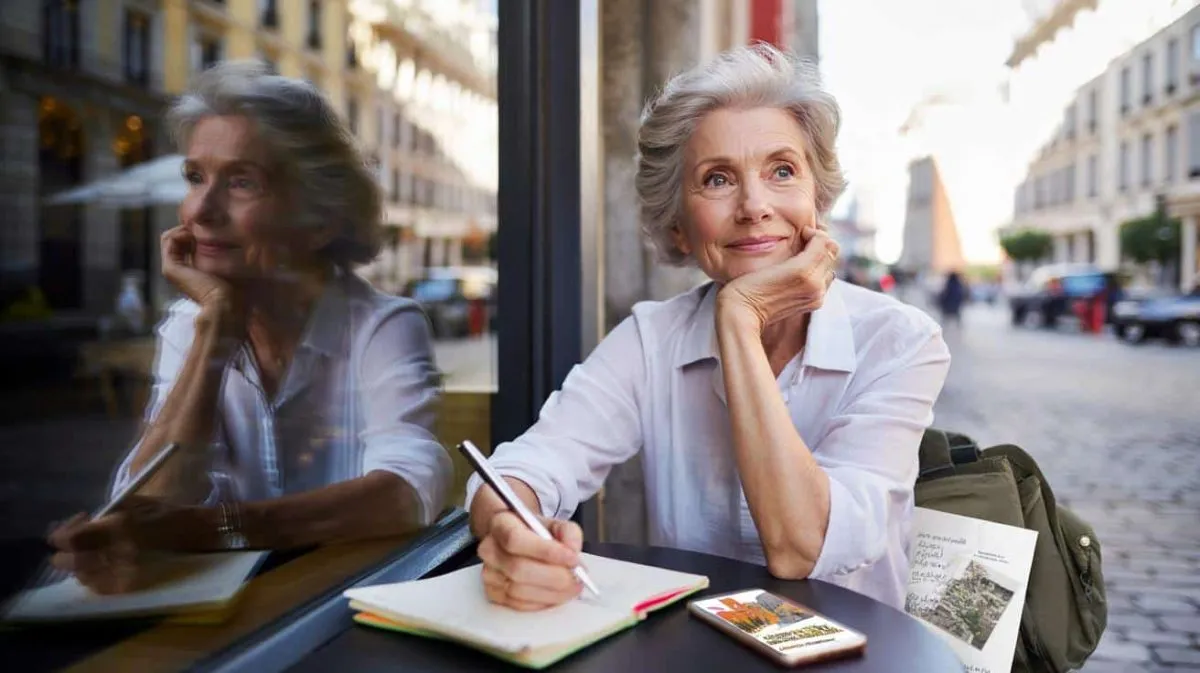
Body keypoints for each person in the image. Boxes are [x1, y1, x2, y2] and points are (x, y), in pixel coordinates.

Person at [466, 44, 951, 612]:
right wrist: (511, 533)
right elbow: (525, 468)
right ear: (677, 228)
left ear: (816, 201)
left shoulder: (900, 342)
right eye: (717, 179)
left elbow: (803, 546)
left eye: (782, 171)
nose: (753, 205)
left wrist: (739, 320)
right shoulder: (651, 339)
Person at [48, 62, 452, 594]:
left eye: (242, 182)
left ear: (321, 220)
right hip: (224, 612)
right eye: (195, 177)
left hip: (345, 604)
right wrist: (216, 327)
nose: (200, 209)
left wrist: (212, 529)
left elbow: (404, 493)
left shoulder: (381, 325)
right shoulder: (191, 324)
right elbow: (148, 499)